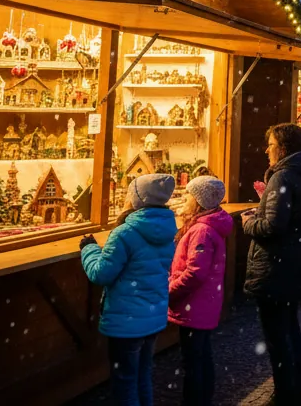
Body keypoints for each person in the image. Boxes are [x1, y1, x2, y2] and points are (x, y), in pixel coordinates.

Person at [80, 173, 177, 406]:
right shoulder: (167, 229)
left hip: (127, 323)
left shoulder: (125, 233)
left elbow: (101, 273)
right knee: (143, 376)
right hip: (152, 317)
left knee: (124, 383)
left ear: (136, 198)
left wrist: (89, 249)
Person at [243, 123, 301, 406]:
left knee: (278, 334)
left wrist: (249, 221)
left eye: (271, 144)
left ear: (284, 148)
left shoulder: (283, 176)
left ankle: (285, 394)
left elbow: (273, 226)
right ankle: (290, 390)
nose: (267, 150)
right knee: (289, 329)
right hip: (296, 258)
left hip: (277, 263)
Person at [168, 176, 232, 406]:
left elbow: (195, 272)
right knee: (201, 356)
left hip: (194, 305)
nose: (183, 199)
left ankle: (196, 400)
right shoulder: (206, 227)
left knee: (193, 361)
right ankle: (203, 397)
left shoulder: (201, 231)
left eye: (188, 195)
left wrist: (170, 291)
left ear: (198, 201)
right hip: (202, 303)